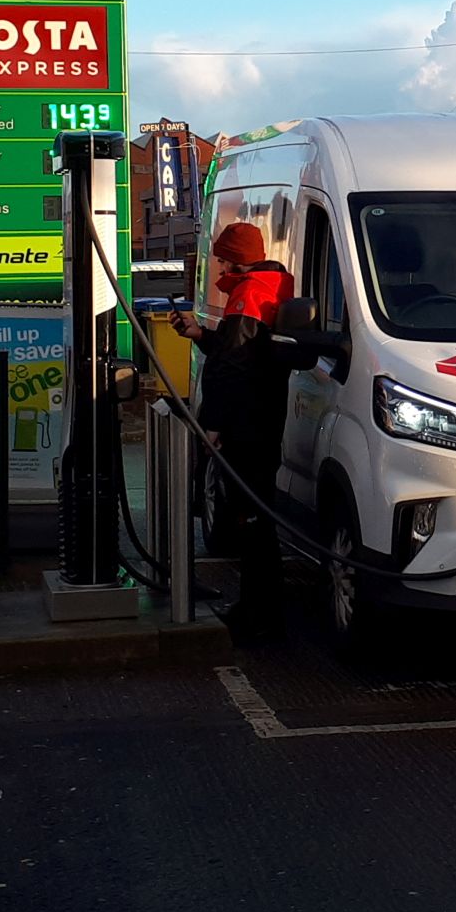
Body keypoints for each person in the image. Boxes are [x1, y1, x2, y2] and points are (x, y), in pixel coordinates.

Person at [173, 222, 295, 641]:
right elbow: (241, 351)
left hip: (246, 424)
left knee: (251, 520)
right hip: (263, 418)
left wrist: (213, 424)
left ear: (233, 258)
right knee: (257, 517)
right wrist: (201, 335)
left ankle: (258, 613)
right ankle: (263, 606)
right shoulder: (270, 286)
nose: (219, 264)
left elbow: (234, 367)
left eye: (222, 257)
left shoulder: (249, 293)